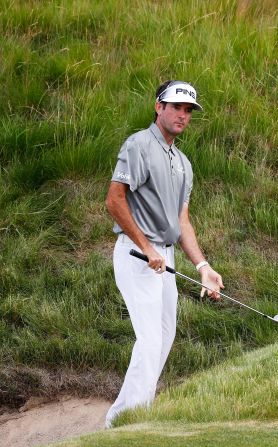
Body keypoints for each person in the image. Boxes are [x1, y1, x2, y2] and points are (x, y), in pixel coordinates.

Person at [104, 80, 224, 428]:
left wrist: (203, 266)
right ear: (159, 107)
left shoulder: (183, 162)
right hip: (138, 256)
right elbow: (115, 200)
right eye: (176, 107)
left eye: (188, 110)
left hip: (164, 258)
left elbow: (181, 220)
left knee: (165, 333)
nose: (182, 115)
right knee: (150, 338)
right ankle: (133, 421)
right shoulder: (139, 145)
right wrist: (146, 246)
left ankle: (123, 417)